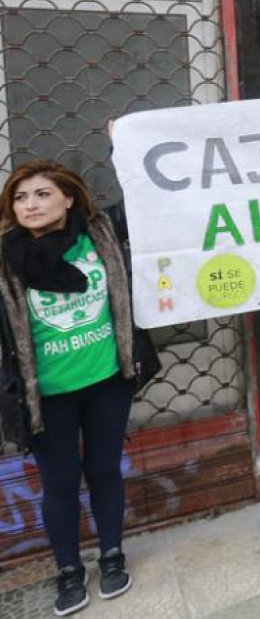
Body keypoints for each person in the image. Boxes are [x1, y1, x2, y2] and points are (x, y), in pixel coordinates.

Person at [0, 161, 141, 615]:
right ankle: (68, 571)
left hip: (106, 382)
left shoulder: (99, 234)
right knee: (59, 484)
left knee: (104, 471)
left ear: (69, 198)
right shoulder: (5, 258)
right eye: (20, 198)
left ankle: (113, 556)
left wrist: (126, 146)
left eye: (41, 194)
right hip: (46, 397)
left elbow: (148, 195)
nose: (30, 205)